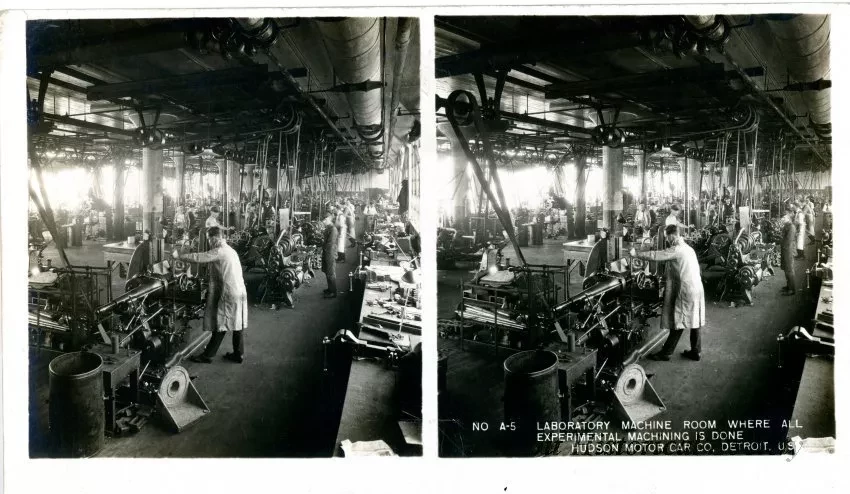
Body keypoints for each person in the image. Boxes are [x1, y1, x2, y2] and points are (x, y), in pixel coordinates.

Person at [631, 224, 706, 361]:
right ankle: (696, 351)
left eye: (667, 237)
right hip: (696, 288)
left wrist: (636, 254)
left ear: (673, 235)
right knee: (695, 320)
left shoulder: (677, 249)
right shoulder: (689, 249)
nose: (666, 240)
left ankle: (666, 353)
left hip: (686, 290)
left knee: (678, 321)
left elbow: (656, 255)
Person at [178, 226, 248, 364]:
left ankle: (208, 355)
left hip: (230, 293)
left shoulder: (220, 251)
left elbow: (199, 257)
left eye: (209, 240)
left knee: (221, 324)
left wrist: (179, 256)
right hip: (240, 291)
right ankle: (238, 354)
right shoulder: (231, 250)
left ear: (215, 238)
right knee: (237, 324)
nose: (209, 243)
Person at [321, 211, 339, 298]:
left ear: (329, 219)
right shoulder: (328, 228)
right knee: (327, 271)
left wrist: (323, 246)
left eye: (324, 220)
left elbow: (330, 243)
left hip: (330, 253)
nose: (323, 221)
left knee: (331, 273)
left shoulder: (333, 229)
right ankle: (330, 289)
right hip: (327, 252)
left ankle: (333, 292)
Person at [780, 209, 797, 296]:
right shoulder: (787, 226)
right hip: (785, 249)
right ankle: (788, 286)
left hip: (789, 250)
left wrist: (780, 242)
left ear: (788, 218)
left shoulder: (791, 227)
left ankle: (791, 289)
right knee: (786, 269)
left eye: (784, 217)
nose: (782, 219)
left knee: (789, 269)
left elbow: (788, 240)